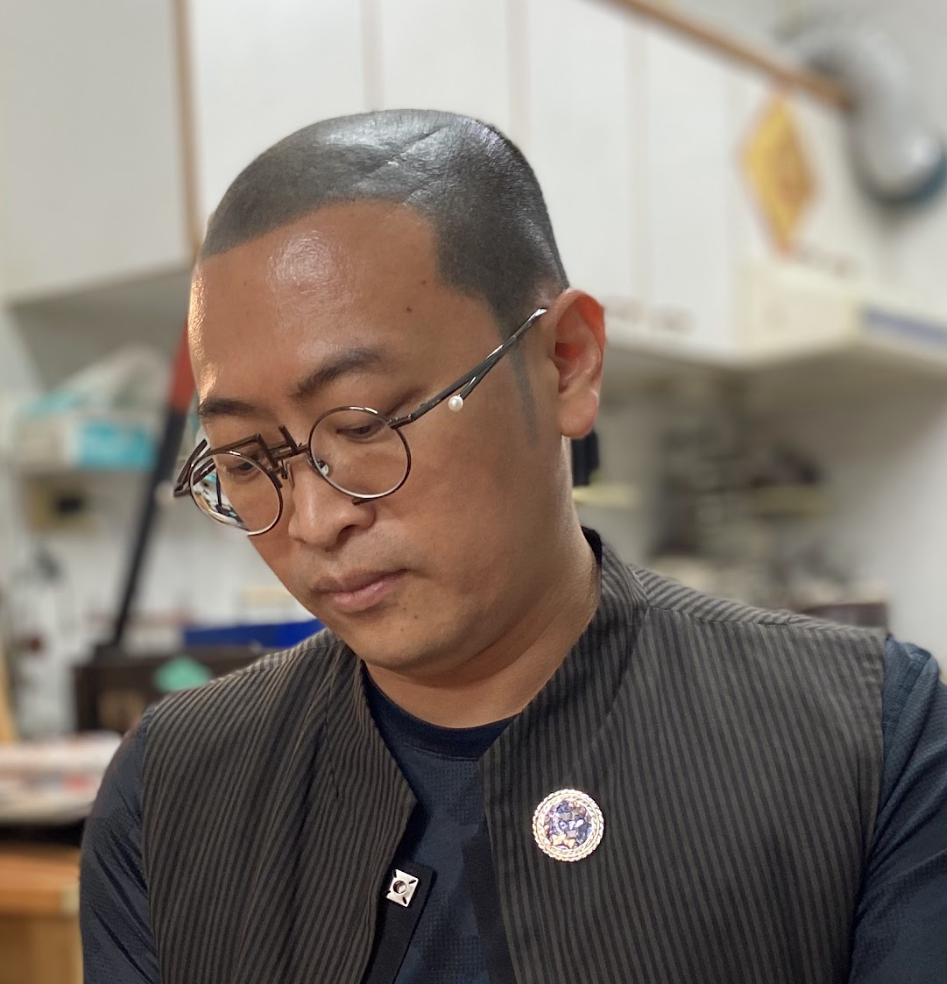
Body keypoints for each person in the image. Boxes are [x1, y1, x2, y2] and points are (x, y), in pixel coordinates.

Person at [80, 110, 947, 984]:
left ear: (566, 362)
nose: (312, 519)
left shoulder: (869, 741)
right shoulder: (174, 789)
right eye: (246, 460)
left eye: (366, 423)